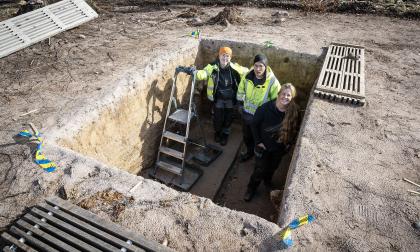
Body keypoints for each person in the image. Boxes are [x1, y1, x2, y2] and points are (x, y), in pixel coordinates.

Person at [244, 83, 299, 202]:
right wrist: (258, 142)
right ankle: (251, 188)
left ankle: (267, 182)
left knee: (273, 167)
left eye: (288, 95)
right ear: (278, 94)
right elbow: (254, 125)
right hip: (263, 147)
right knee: (259, 169)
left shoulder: (293, 112)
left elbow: (294, 129)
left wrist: (287, 146)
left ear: (292, 97)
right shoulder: (265, 108)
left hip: (279, 148)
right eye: (283, 94)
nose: (285, 97)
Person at [195, 47, 248, 145]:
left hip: (230, 99)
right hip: (218, 98)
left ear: (230, 58)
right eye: (223, 55)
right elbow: (203, 73)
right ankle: (218, 133)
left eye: (227, 56)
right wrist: (194, 73)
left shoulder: (234, 68)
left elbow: (247, 71)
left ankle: (225, 134)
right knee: (217, 117)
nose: (225, 58)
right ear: (219, 56)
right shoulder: (212, 67)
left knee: (228, 117)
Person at [236, 54, 281, 161]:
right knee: (247, 136)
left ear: (266, 67)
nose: (258, 69)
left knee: (259, 139)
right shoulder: (247, 76)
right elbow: (240, 92)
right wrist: (240, 105)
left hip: (261, 119)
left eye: (261, 66)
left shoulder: (272, 82)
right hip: (247, 115)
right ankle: (249, 152)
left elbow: (277, 101)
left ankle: (259, 157)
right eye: (256, 65)